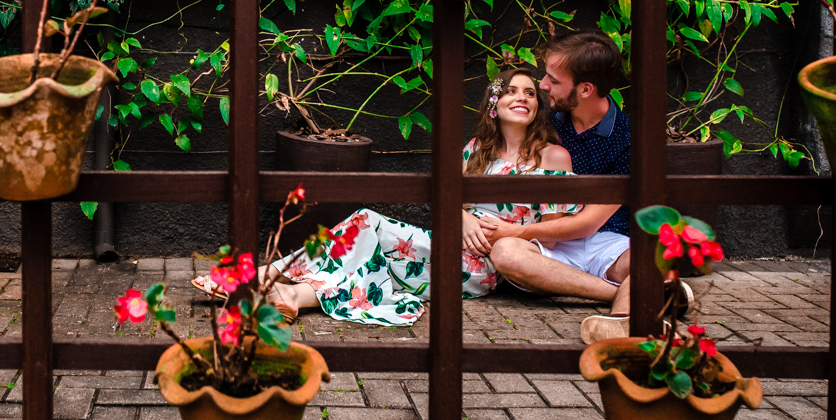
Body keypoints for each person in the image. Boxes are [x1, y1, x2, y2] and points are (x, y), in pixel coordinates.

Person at [191, 68, 581, 326]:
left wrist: (508, 232)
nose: (523, 97)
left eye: (530, 93)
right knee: (363, 238)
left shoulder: (551, 156)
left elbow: (553, 233)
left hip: (485, 267)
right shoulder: (475, 149)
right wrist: (462, 218)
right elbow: (451, 202)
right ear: (494, 105)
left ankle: (261, 278)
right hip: (446, 244)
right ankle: (290, 294)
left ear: (537, 107)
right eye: (511, 90)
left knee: (365, 226)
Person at [480, 31, 642, 344]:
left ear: (585, 89)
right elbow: (488, 151)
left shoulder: (629, 138)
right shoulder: (546, 121)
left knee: (649, 258)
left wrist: (515, 231)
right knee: (507, 253)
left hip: (606, 241)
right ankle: (623, 296)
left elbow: (589, 222)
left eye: (553, 80)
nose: (541, 86)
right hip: (545, 242)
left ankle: (620, 324)